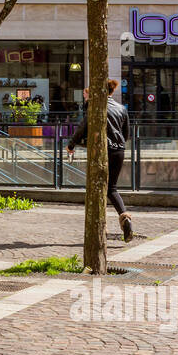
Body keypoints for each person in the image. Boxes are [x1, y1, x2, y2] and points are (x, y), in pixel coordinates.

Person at [67, 78, 134, 242]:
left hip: (103, 151)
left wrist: (71, 144)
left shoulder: (96, 106)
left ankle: (99, 226)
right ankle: (125, 217)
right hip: (119, 150)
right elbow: (126, 135)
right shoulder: (121, 109)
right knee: (111, 187)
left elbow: (84, 126)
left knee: (96, 186)